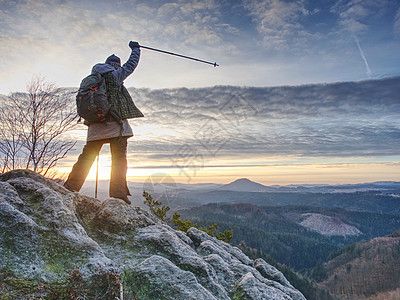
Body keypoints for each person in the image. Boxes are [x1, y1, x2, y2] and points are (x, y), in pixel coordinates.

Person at [64, 41, 143, 204]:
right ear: (116, 66)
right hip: (115, 125)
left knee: (87, 157)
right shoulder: (114, 75)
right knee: (119, 158)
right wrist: (136, 49)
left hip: (94, 127)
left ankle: (70, 186)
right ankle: (118, 193)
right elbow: (131, 65)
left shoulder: (93, 79)